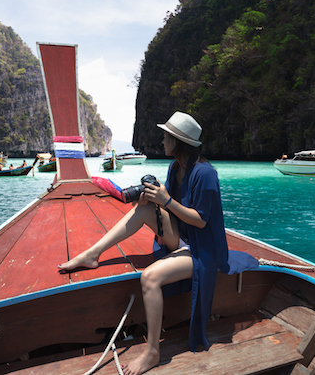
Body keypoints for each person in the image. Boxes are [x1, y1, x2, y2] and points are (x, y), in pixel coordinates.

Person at [58, 111, 229, 375]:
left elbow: (201, 221)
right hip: (184, 237)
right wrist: (153, 201)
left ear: (176, 141)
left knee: (150, 278)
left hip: (203, 250)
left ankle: (152, 352)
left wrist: (166, 201)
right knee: (143, 210)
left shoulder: (205, 174)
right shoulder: (176, 168)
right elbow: (172, 209)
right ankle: (93, 254)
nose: (161, 141)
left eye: (165, 137)